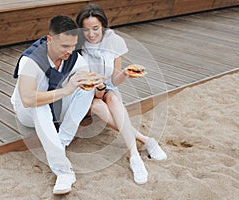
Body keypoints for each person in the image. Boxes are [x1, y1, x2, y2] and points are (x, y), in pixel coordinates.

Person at [76, 4, 167, 184]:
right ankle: (146, 140)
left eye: (95, 28)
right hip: (84, 93)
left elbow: (114, 80)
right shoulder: (77, 43)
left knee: (112, 99)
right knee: (97, 104)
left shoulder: (115, 42)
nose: (91, 34)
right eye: (86, 30)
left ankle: (134, 156)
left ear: (103, 26)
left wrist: (124, 74)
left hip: (106, 88)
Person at [11, 15, 102, 195]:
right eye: (65, 46)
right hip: (28, 111)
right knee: (39, 103)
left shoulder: (73, 57)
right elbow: (28, 99)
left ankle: (61, 141)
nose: (70, 51)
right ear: (50, 40)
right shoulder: (31, 60)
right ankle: (64, 172)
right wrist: (67, 90)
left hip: (56, 107)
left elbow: (95, 91)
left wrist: (99, 85)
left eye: (73, 45)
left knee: (86, 89)